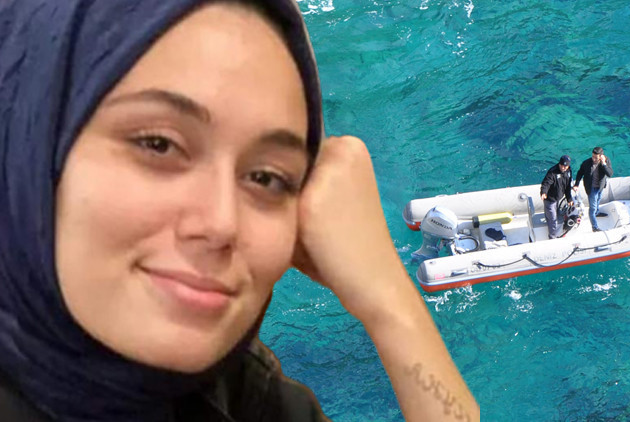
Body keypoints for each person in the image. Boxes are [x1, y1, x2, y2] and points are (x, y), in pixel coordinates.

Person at [0, 1, 480, 421]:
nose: (221, 223)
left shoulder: (229, 394)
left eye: (267, 177)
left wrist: (388, 302)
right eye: (158, 144)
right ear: (29, 143)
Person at [573, 146, 614, 232]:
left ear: (601, 156)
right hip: (591, 188)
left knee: (598, 200)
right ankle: (594, 227)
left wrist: (604, 164)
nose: (594, 159)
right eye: (593, 157)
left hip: (600, 187)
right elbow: (580, 173)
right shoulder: (586, 163)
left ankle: (597, 213)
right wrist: (576, 184)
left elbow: (609, 174)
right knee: (592, 208)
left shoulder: (606, 161)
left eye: (596, 157)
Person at [540, 155, 574, 239]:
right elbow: (546, 183)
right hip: (550, 199)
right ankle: (552, 236)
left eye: (566, 166)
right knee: (553, 219)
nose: (563, 168)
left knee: (556, 215)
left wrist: (569, 199)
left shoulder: (568, 171)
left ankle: (554, 226)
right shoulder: (552, 172)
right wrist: (543, 192)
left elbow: (567, 187)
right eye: (562, 165)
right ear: (559, 164)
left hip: (558, 198)